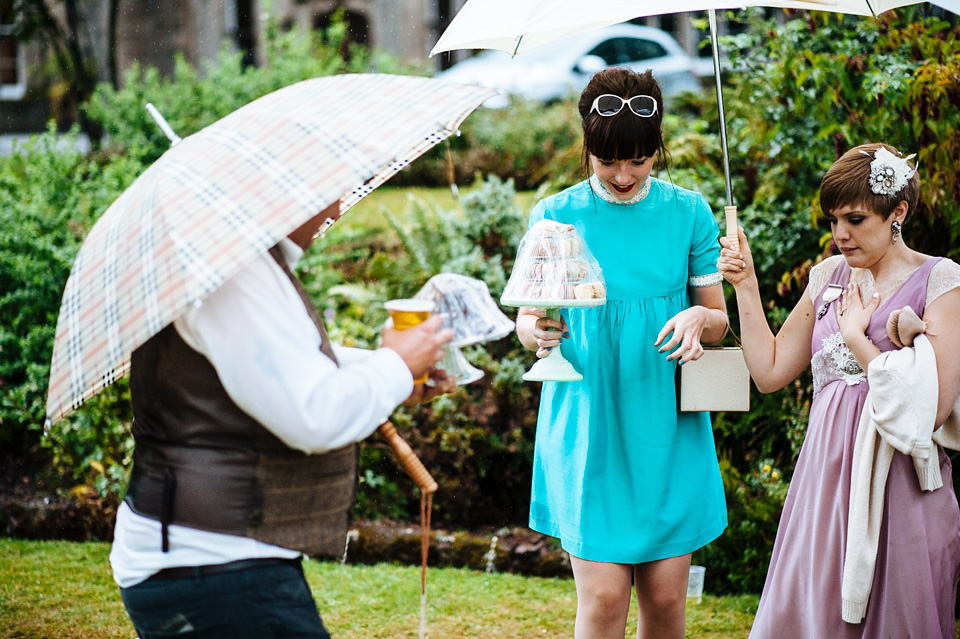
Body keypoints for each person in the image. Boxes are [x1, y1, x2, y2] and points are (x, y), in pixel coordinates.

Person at [110, 198, 455, 639]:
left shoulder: (240, 260)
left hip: (214, 561)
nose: (340, 202)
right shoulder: (234, 273)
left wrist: (395, 373)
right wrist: (393, 365)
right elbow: (314, 416)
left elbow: (279, 365)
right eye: (333, 184)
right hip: (212, 569)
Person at [513, 68, 730, 639]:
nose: (625, 175)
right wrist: (534, 331)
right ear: (588, 149)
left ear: (657, 149)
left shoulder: (689, 212)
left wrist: (697, 316)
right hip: (590, 421)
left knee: (664, 599)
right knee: (605, 599)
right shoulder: (554, 216)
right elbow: (527, 315)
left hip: (666, 423)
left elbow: (718, 321)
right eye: (610, 161)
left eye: (639, 160)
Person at [717, 142, 960, 638]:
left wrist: (856, 338)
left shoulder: (941, 281)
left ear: (898, 212)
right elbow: (768, 372)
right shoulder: (828, 277)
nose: (840, 235)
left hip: (903, 485)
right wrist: (745, 285)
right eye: (833, 221)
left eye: (854, 220)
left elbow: (933, 410)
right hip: (824, 483)